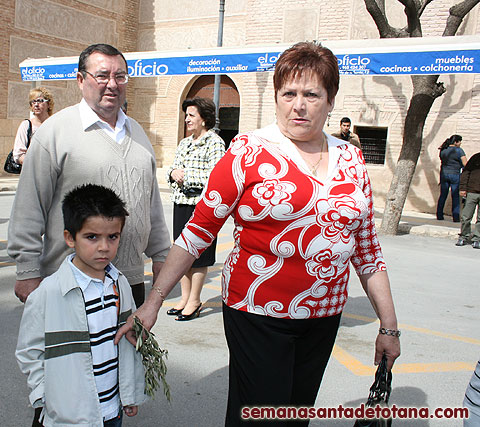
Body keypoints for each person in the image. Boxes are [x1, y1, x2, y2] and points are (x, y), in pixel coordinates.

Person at [116, 41, 401, 426]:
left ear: (330, 100)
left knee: (295, 416)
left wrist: (389, 327)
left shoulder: (350, 158)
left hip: (323, 315)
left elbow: (366, 250)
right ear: (276, 97)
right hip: (256, 311)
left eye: (311, 94)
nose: (298, 105)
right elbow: (197, 231)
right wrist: (154, 301)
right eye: (289, 93)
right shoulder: (248, 151)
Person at [8, 43, 170, 307]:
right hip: (71, 280)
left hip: (130, 284)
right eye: (103, 76)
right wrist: (27, 270)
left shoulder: (138, 134)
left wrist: (161, 255)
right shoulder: (55, 132)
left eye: (120, 76)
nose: (113, 84)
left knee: (126, 349)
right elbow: (29, 205)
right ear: (81, 80)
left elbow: (151, 207)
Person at [16, 184, 145, 427]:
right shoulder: (49, 292)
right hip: (68, 416)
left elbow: (128, 345)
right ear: (70, 238)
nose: (104, 247)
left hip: (111, 410)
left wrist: (130, 392)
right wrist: (43, 397)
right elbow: (29, 350)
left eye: (112, 237)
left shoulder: (120, 284)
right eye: (92, 237)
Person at [166, 97, 225, 321]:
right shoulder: (184, 143)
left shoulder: (215, 142)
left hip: (202, 207)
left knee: (199, 255)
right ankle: (184, 297)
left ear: (204, 118)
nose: (187, 119)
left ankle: (194, 300)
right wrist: (173, 174)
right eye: (187, 115)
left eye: (192, 115)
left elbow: (216, 176)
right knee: (181, 253)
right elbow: (172, 168)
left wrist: (186, 176)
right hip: (181, 203)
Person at [12, 87, 54, 165]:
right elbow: (19, 154)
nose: (36, 104)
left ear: (48, 104)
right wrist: (35, 165)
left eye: (40, 101)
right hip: (32, 172)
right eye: (33, 102)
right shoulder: (26, 125)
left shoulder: (55, 125)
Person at [437, 135, 466, 222]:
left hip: (444, 174)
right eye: (460, 141)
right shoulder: (459, 151)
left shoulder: (443, 150)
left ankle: (439, 215)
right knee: (455, 196)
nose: (460, 143)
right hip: (455, 175)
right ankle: (456, 217)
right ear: (456, 142)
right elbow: (465, 163)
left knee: (443, 195)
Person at [456, 152, 480, 248]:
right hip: (472, 192)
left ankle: (477, 238)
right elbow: (466, 173)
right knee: (466, 216)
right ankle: (463, 236)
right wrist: (463, 188)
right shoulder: (476, 158)